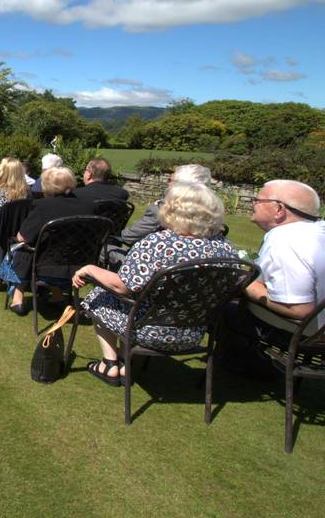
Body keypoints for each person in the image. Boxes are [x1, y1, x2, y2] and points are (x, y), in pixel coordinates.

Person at [72, 182, 238, 385]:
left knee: (98, 294)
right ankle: (123, 359)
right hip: (194, 333)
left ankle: (110, 363)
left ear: (171, 209)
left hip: (147, 330)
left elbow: (122, 286)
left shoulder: (158, 244)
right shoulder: (226, 249)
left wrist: (90, 269)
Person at [222, 180, 325, 375]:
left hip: (303, 335)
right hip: (319, 331)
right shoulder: (319, 231)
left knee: (222, 308)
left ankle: (249, 366)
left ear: (279, 209)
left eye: (258, 200)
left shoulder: (285, 239)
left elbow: (299, 309)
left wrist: (244, 283)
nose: (252, 203)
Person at [0, 166, 95, 315]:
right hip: (80, 265)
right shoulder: (89, 206)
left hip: (47, 266)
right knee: (44, 248)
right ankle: (57, 295)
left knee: (22, 247)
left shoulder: (42, 206)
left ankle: (18, 298)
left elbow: (22, 237)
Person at [119, 164, 212, 246]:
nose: (168, 183)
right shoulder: (212, 214)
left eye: (171, 180)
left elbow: (128, 237)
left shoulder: (163, 210)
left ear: (180, 186)